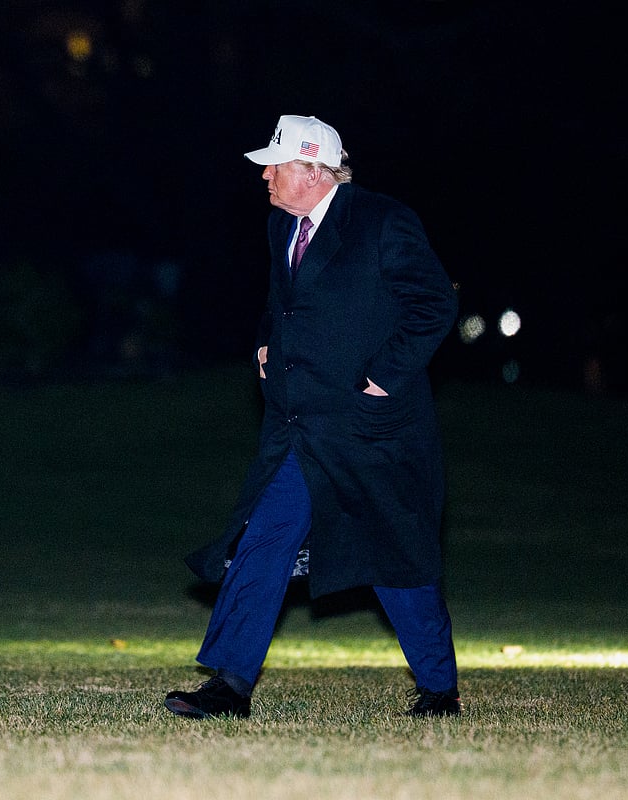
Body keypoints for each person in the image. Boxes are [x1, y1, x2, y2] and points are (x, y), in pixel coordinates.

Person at [165, 114, 461, 719]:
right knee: (263, 538)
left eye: (275, 166)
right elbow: (282, 304)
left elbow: (434, 304)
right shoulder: (282, 225)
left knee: (396, 553)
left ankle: (439, 689)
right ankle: (230, 685)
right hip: (299, 427)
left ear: (313, 170)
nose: (265, 176)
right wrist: (265, 344)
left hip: (370, 428)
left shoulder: (382, 221)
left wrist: (383, 378)